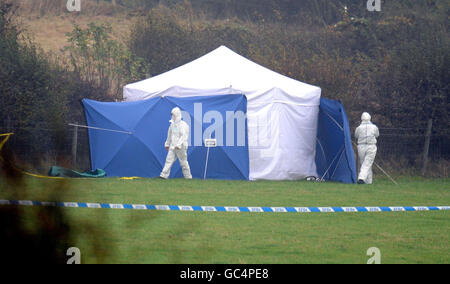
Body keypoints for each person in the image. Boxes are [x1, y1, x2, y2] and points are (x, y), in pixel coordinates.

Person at [160, 107, 192, 179]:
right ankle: (163, 175)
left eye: (173, 115)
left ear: (177, 115)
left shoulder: (183, 125)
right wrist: (167, 144)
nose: (172, 116)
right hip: (173, 146)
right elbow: (169, 135)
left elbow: (184, 136)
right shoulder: (172, 125)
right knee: (168, 160)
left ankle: (188, 177)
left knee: (183, 162)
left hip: (181, 147)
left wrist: (179, 144)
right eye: (172, 115)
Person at [355, 112, 379, 184]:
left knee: (364, 164)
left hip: (361, 147)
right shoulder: (374, 127)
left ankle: (368, 181)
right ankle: (361, 178)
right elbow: (377, 135)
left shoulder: (359, 128)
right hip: (371, 146)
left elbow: (356, 135)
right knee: (367, 164)